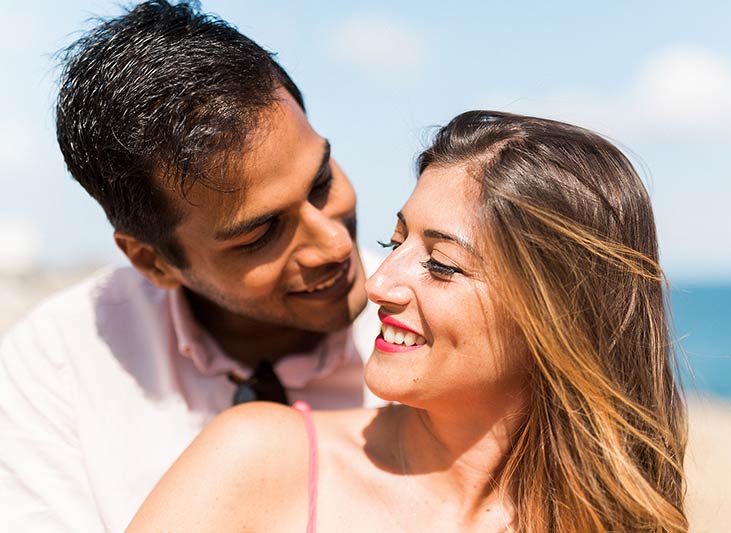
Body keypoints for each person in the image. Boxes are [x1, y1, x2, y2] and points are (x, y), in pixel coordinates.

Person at [128, 111, 689, 533]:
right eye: (392, 242)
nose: (379, 283)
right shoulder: (258, 458)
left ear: (561, 312)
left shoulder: (615, 519)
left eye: (442, 265)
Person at [0, 2, 380, 531]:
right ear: (152, 262)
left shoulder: (447, 322)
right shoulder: (56, 373)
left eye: (321, 183)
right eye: (261, 233)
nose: (334, 244)